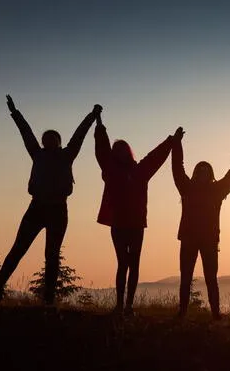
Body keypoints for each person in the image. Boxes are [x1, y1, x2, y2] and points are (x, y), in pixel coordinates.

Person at [0, 95, 100, 305]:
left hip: (57, 210)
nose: (47, 140)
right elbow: (26, 133)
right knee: (18, 249)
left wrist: (92, 116)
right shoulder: (37, 154)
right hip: (36, 208)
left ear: (58, 142)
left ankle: (48, 299)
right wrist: (15, 112)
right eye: (45, 138)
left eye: (52, 138)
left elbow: (79, 134)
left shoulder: (67, 154)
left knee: (52, 255)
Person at [94, 112, 177, 316]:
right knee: (123, 263)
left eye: (123, 150)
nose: (120, 153)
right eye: (117, 150)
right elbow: (102, 149)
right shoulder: (111, 170)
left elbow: (155, 157)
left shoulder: (140, 171)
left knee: (134, 263)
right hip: (119, 224)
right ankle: (120, 305)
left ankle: (128, 305)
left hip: (137, 224)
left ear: (128, 152)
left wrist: (170, 141)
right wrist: (99, 125)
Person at [172, 133, 230, 319]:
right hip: (191, 239)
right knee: (186, 278)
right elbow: (177, 168)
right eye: (201, 171)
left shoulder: (216, 190)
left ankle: (215, 314)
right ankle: (183, 312)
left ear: (210, 174)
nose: (203, 174)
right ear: (196, 173)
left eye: (206, 171)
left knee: (211, 279)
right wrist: (176, 145)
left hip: (207, 240)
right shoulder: (187, 187)